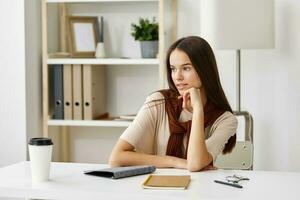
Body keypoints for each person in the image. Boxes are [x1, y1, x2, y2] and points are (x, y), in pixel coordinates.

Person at [109, 36, 237, 172]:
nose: (177, 77)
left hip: (198, 189)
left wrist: (198, 110)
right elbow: (116, 158)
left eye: (186, 68)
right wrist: (175, 161)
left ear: (205, 70)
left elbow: (194, 164)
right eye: (173, 69)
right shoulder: (158, 102)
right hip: (152, 188)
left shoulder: (226, 120)